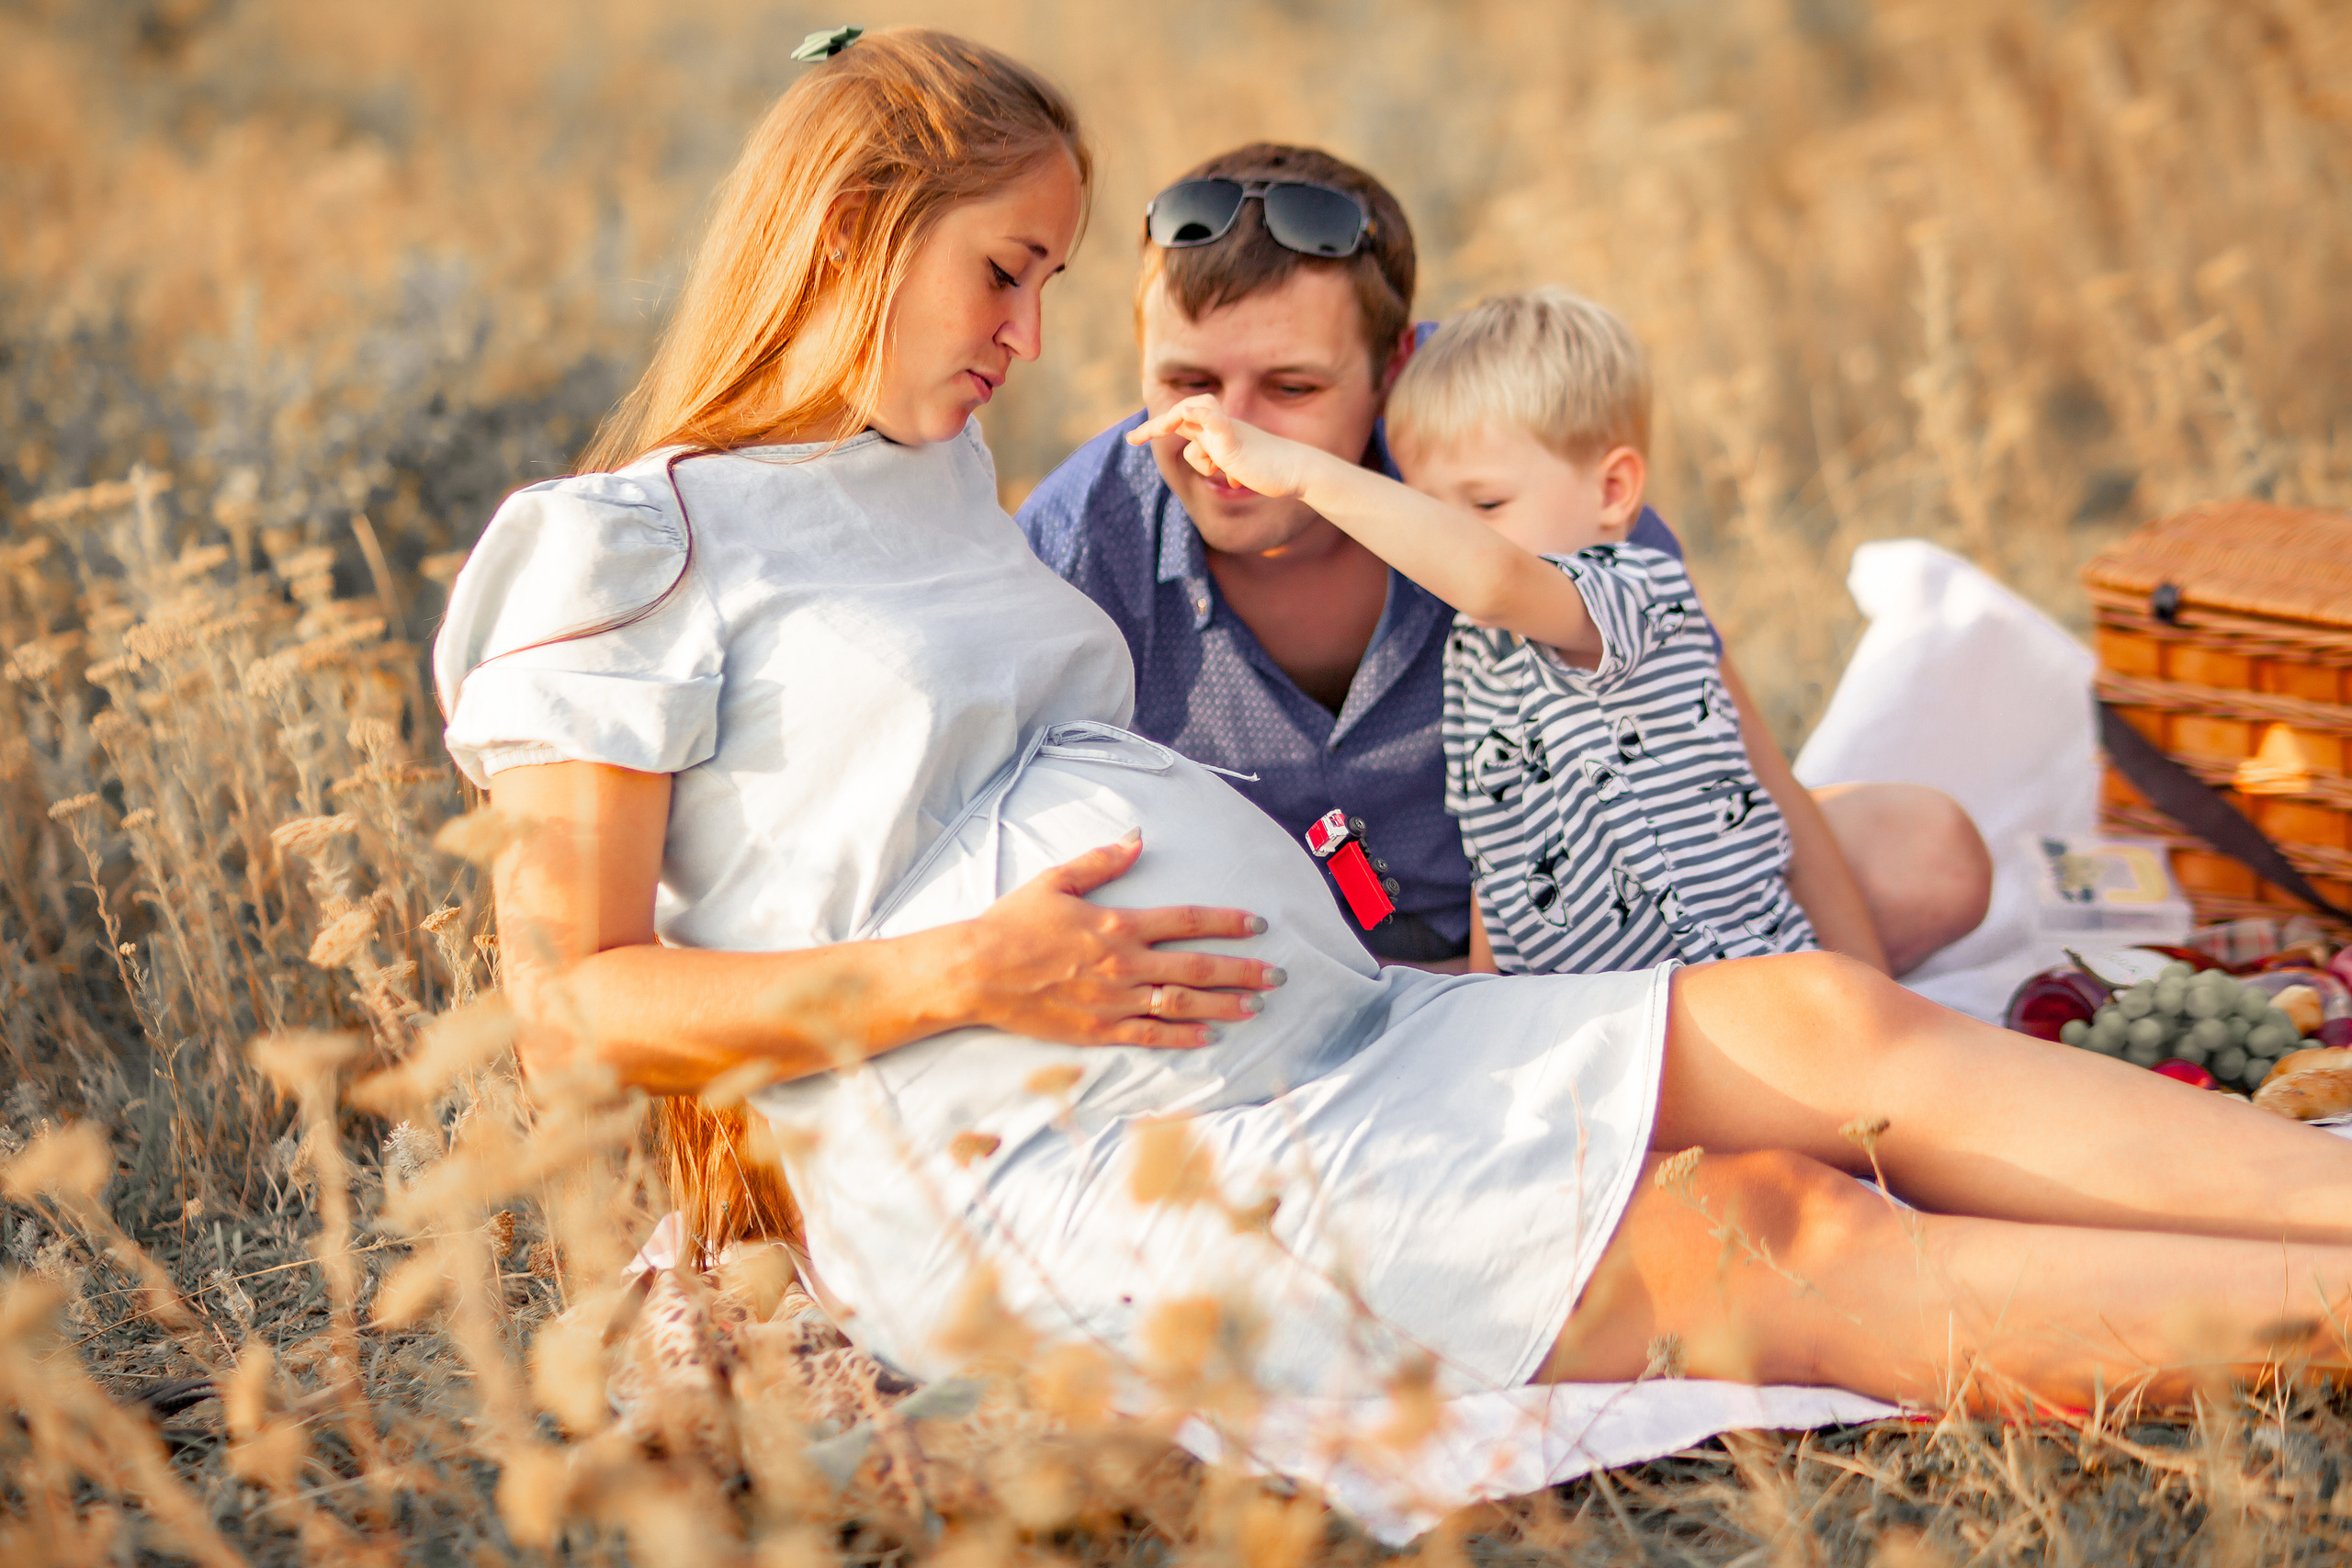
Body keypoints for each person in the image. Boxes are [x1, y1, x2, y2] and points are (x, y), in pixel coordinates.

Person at [444, 28, 2352, 1422]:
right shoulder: (618, 545)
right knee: (1767, 1235)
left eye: (1044, 282)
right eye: (1003, 272)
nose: (1027, 338)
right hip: (1071, 1148)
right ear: (858, 225)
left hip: (1330, 1019)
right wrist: (966, 970)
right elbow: (571, 1006)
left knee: (1817, 1019)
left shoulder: (929, 478)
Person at [1015, 145, 1991, 975]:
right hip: (1272, 969)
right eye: (1187, 381)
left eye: (1293, 388)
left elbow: (1729, 744)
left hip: (1560, 929)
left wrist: (1868, 1012)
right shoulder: (1083, 534)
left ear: (1393, 371)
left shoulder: (1499, 444)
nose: (1232, 434)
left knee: (1926, 856)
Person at [1131, 288, 1817, 978]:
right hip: (1593, 1006)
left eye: (1485, 503)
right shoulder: (1473, 651)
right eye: (1427, 508)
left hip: (1731, 969)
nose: (1449, 536)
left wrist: (1303, 472)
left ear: (1613, 491)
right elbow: (1495, 861)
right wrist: (1488, 998)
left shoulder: (1629, 592)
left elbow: (1495, 577)